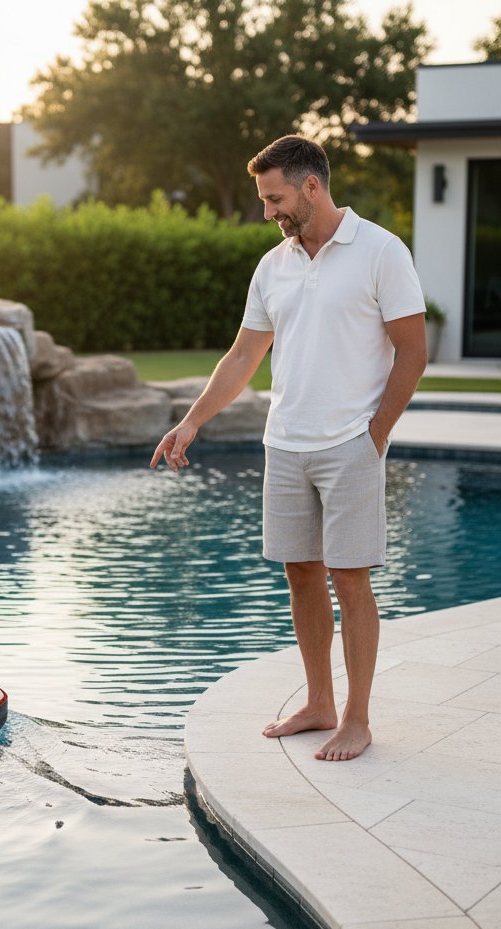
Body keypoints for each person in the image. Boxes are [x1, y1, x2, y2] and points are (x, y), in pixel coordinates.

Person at [151, 134, 427, 761]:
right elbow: (246, 353)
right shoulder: (274, 265)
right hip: (286, 443)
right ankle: (320, 702)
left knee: (350, 580)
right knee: (300, 574)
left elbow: (413, 350)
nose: (268, 212)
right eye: (262, 200)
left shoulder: (381, 250)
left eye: (275, 198)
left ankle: (357, 718)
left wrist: (376, 433)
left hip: (349, 443)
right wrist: (192, 421)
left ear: (311, 186)